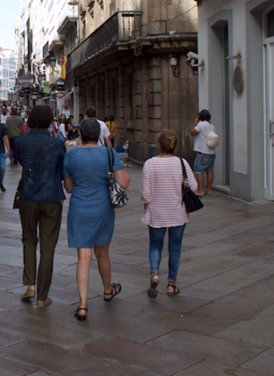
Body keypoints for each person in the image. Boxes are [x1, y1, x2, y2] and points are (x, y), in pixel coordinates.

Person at [63, 118, 130, 320]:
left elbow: (69, 188)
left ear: (80, 135)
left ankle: (83, 305)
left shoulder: (71, 155)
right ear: (99, 135)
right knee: (102, 254)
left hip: (79, 208)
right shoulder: (109, 153)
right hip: (102, 208)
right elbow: (124, 182)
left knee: (83, 257)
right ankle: (108, 290)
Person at [14, 105, 66, 308]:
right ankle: (43, 296)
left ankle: (30, 286)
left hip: (27, 197)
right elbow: (61, 171)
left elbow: (21, 164)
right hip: (51, 198)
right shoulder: (57, 144)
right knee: (48, 247)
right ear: (49, 121)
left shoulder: (20, 142)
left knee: (28, 239)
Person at [141, 130, 198, 297]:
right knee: (175, 248)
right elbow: (194, 187)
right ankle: (172, 284)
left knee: (155, 245)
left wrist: (147, 204)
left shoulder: (150, 164)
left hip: (157, 212)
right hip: (177, 212)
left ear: (159, 145)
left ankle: (155, 274)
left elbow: (145, 193)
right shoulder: (182, 163)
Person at [191, 109, 216, 196]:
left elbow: (193, 132)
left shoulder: (201, 125)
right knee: (209, 171)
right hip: (211, 152)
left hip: (203, 152)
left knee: (198, 170)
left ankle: (201, 190)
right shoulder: (212, 126)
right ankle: (209, 189)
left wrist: (195, 122)